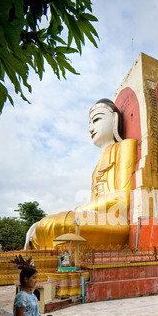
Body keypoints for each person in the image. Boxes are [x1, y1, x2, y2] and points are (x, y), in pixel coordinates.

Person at [26, 99, 137, 250]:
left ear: (114, 119)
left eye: (97, 120)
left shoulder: (124, 147)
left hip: (116, 221)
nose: (91, 129)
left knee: (62, 224)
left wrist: (79, 210)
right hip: (96, 218)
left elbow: (123, 197)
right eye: (90, 124)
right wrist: (83, 211)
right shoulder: (96, 167)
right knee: (46, 224)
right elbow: (92, 206)